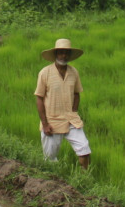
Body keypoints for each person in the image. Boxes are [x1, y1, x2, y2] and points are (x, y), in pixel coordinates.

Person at [34, 37, 91, 170]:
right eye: (60, 52)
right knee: (50, 159)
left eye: (66, 53)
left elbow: (77, 93)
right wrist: (45, 124)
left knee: (84, 149)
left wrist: (74, 111)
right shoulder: (45, 73)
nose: (63, 55)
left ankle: (85, 179)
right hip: (52, 121)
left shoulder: (74, 72)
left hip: (71, 120)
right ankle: (52, 183)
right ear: (56, 54)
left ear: (70, 55)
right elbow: (39, 98)